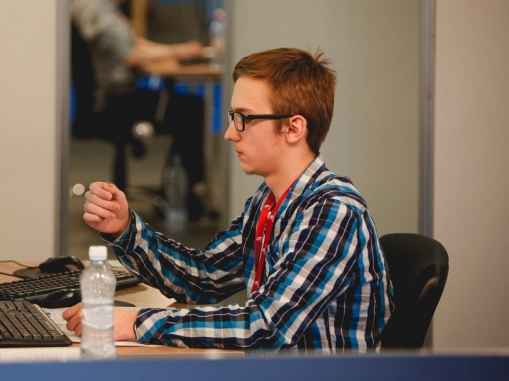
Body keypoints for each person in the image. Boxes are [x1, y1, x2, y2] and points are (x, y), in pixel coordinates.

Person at [63, 47, 394, 352]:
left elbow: (265, 325)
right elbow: (204, 277)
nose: (230, 133)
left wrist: (136, 322)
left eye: (245, 118)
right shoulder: (269, 202)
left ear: (293, 129)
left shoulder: (333, 211)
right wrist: (124, 228)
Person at [71, 0, 206, 218]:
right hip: (110, 103)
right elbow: (130, 56)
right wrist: (173, 53)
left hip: (118, 96)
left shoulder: (104, 5)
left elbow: (133, 44)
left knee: (189, 107)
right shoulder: (93, 7)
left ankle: (180, 190)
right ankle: (188, 193)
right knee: (191, 110)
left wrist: (175, 51)